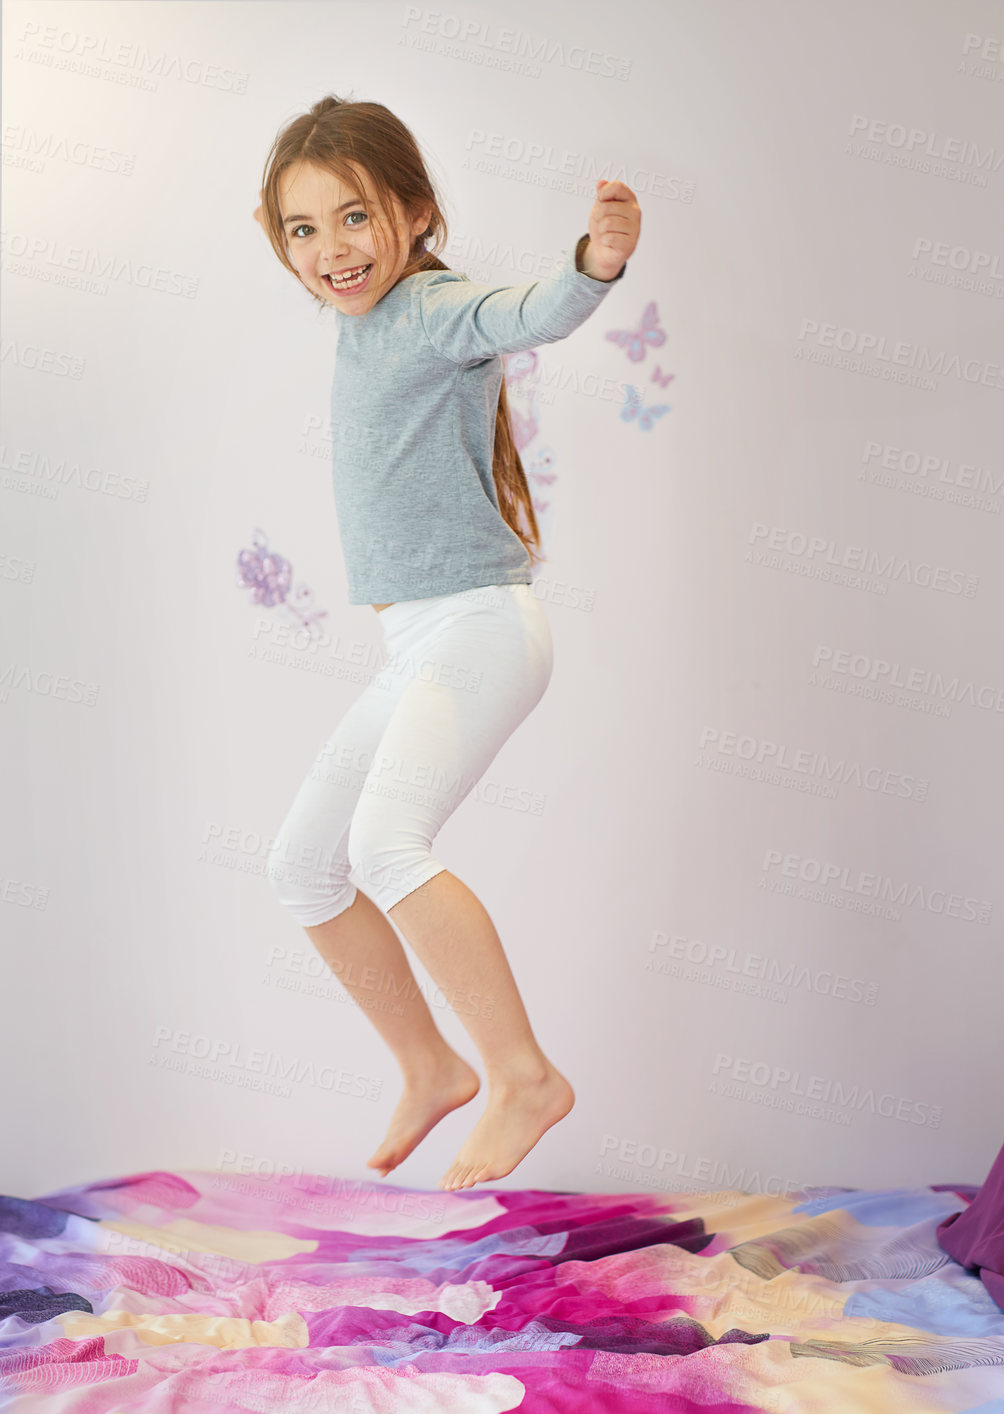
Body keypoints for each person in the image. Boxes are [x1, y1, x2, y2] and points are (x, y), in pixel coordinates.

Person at [252, 95, 639, 1192]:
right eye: (302, 229)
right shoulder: (359, 321)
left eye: (356, 218)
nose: (332, 250)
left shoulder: (427, 307)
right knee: (303, 865)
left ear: (416, 215)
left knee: (386, 843)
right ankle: (429, 1064)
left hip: (477, 625)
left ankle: (521, 1074)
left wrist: (592, 264)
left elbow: (526, 312)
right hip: (418, 643)